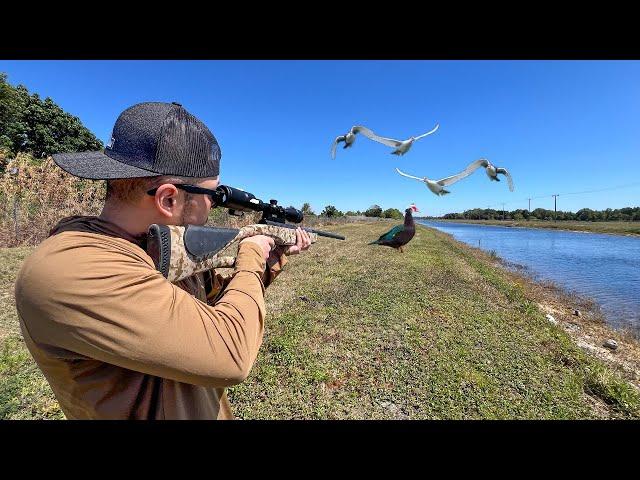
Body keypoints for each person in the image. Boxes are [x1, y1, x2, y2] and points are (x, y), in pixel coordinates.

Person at [14, 101, 312, 419]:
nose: (213, 208)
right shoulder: (69, 270)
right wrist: (251, 253)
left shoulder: (158, 249)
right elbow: (231, 354)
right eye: (212, 195)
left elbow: (216, 301)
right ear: (169, 198)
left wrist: (270, 259)